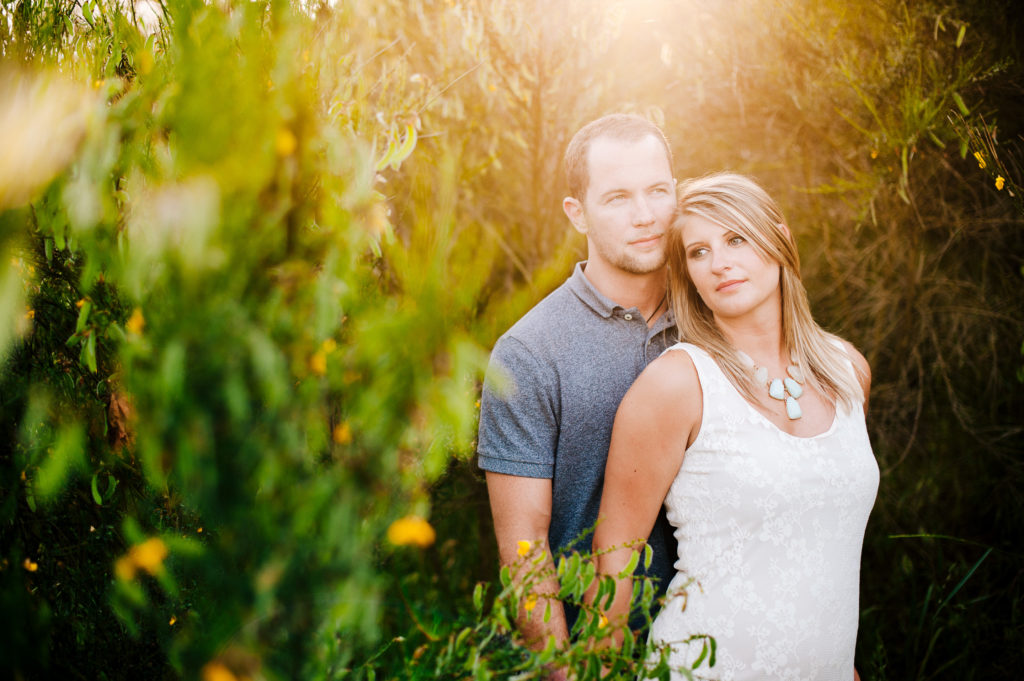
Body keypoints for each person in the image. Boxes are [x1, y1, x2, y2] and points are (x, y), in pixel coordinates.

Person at [593, 173, 879, 680]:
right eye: (698, 252)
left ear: (780, 238)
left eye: (736, 238)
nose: (719, 262)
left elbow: (824, 549)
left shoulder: (847, 371)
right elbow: (615, 561)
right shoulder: (677, 385)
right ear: (688, 274)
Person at [477, 113, 681, 654]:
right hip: (599, 651)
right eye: (617, 198)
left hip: (717, 647)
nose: (645, 216)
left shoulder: (713, 315)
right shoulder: (528, 354)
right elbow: (525, 554)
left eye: (658, 191)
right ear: (578, 213)